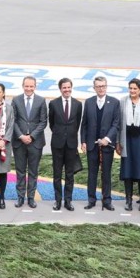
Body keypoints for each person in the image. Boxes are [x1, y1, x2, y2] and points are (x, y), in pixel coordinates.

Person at [80, 76, 121, 210]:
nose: (101, 88)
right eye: (98, 86)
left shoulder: (114, 102)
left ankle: (107, 200)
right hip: (92, 145)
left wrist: (107, 138)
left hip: (107, 145)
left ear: (106, 86)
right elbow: (84, 123)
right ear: (94, 88)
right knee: (92, 173)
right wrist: (83, 141)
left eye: (103, 86)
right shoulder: (89, 102)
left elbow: (116, 124)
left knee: (106, 173)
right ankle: (91, 200)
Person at [118, 78, 140, 212]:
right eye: (130, 88)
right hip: (127, 141)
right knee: (128, 171)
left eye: (135, 89)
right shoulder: (122, 102)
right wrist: (118, 142)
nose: (132, 91)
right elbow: (118, 124)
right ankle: (128, 200)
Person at [11, 76, 48, 208]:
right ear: (23, 86)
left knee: (33, 171)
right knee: (20, 171)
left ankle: (31, 197)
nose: (29, 88)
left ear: (35, 86)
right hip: (19, 142)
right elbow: (13, 120)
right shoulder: (16, 100)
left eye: (31, 86)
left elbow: (43, 122)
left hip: (35, 142)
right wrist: (21, 135)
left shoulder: (41, 101)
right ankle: (20, 197)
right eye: (26, 86)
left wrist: (31, 136)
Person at [48, 77, 83, 211]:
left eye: (68, 87)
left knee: (69, 174)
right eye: (64, 88)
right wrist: (59, 133)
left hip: (71, 144)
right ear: (60, 89)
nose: (66, 90)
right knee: (57, 174)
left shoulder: (78, 104)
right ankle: (57, 200)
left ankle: (68, 200)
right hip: (57, 144)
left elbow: (77, 123)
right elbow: (51, 123)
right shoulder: (53, 103)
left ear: (71, 88)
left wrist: (69, 135)